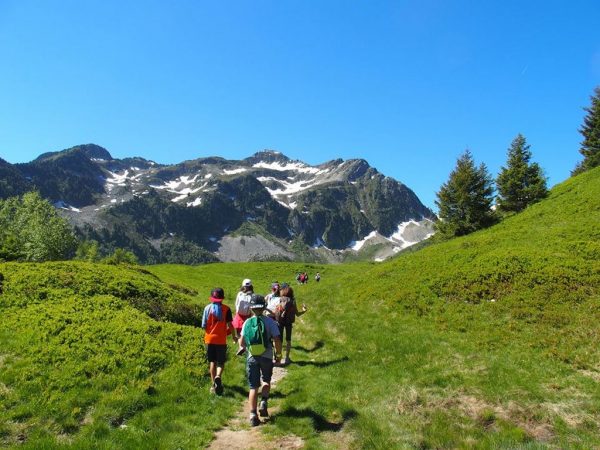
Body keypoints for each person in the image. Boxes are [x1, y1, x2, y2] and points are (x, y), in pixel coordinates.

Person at [238, 294, 282, 427]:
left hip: (252, 357)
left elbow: (242, 342)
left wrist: (243, 346)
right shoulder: (270, 322)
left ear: (251, 308)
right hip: (267, 356)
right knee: (266, 380)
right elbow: (277, 340)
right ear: (264, 307)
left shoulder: (247, 322)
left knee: (253, 387)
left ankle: (252, 415)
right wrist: (278, 355)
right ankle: (263, 401)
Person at [201, 287, 237, 395]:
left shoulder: (207, 308)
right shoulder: (226, 309)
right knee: (221, 362)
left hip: (209, 339)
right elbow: (230, 325)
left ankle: (213, 385)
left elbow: (203, 325)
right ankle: (218, 376)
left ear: (212, 298)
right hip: (221, 340)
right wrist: (234, 336)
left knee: (212, 361)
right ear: (222, 298)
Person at [275, 283, 307, 365]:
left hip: (280, 321)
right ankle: (287, 358)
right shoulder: (293, 301)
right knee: (288, 340)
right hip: (289, 322)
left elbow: (275, 311)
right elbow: (297, 314)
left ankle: (278, 357)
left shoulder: (279, 299)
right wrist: (304, 310)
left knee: (279, 340)